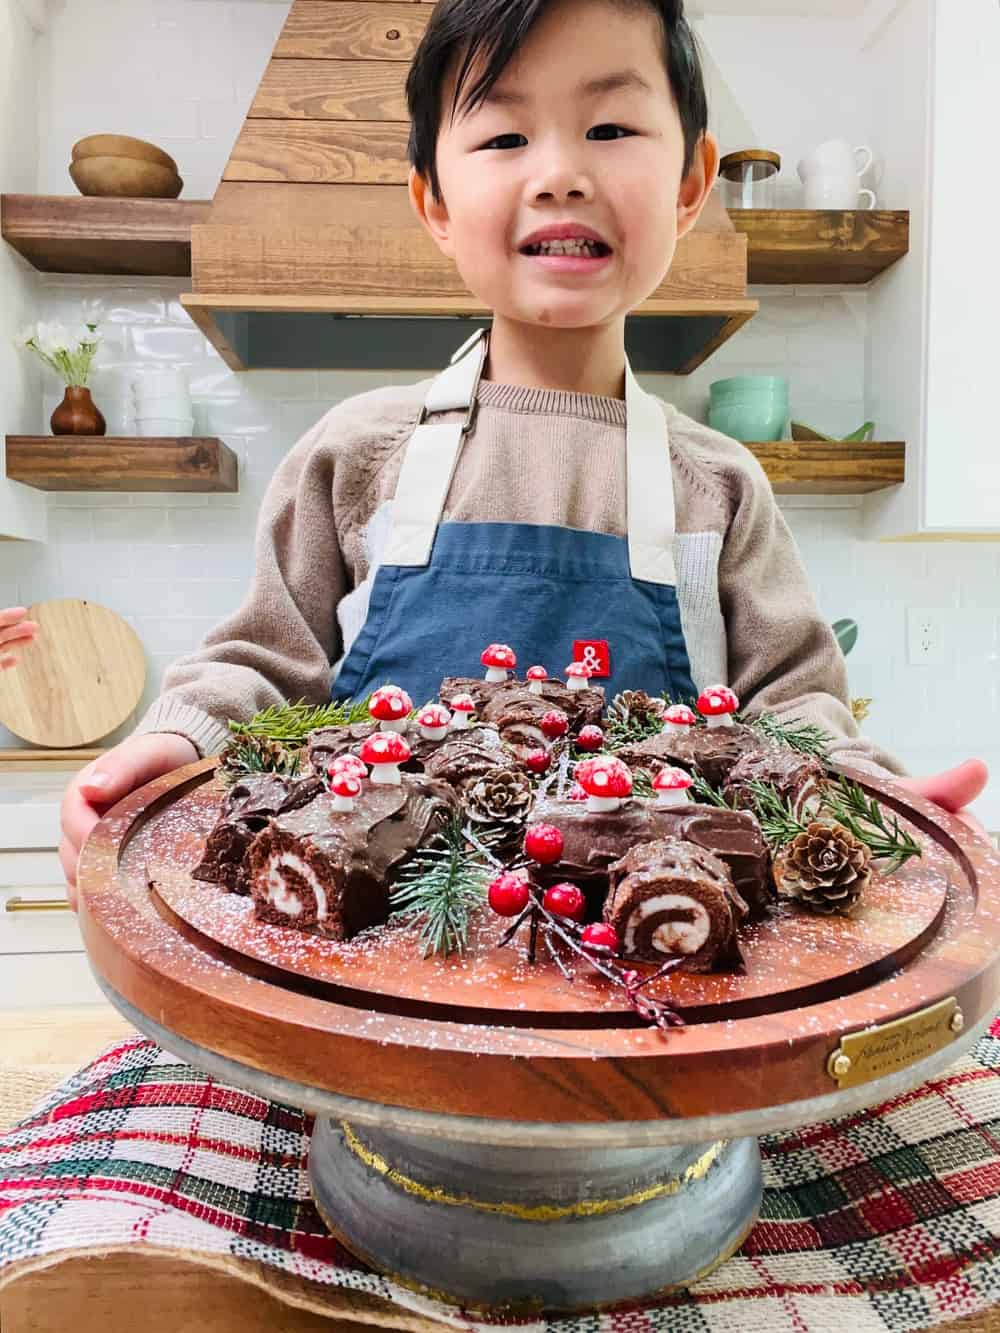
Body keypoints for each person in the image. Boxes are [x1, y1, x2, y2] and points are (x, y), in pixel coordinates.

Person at [59, 0, 987, 903]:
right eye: (504, 138)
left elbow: (795, 717)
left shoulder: (718, 488)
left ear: (692, 185)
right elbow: (262, 671)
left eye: (612, 127)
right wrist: (176, 741)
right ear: (433, 203)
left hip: (653, 981)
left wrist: (877, 806)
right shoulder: (356, 456)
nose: (559, 173)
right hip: (374, 985)